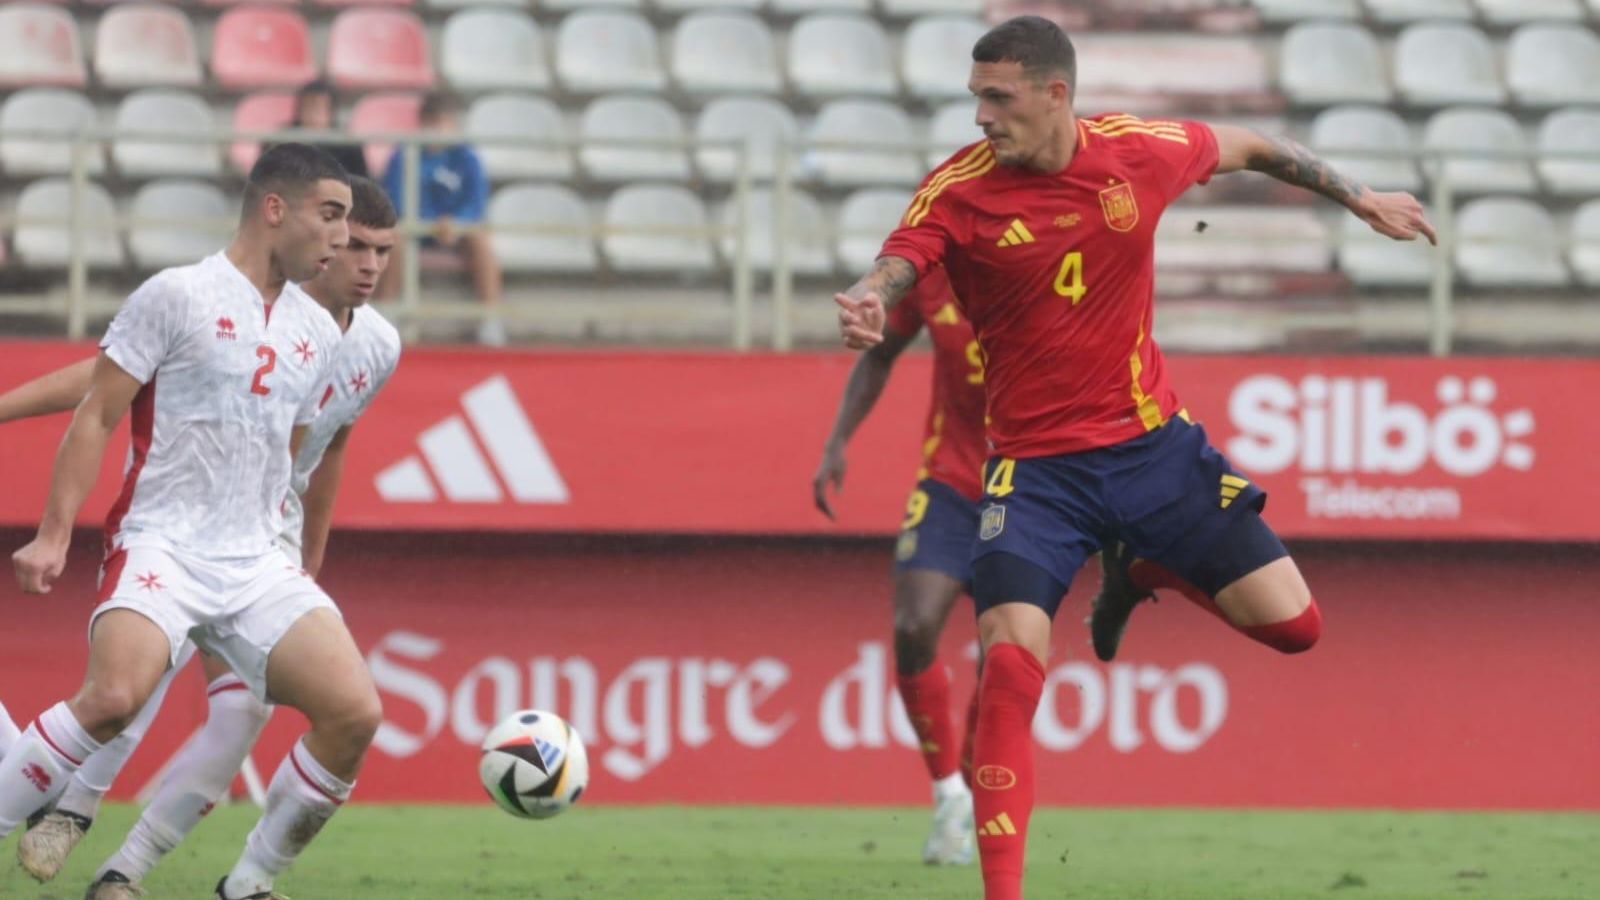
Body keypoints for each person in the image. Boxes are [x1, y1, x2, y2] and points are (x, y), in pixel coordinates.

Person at [834, 17, 1435, 899]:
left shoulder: (1140, 152)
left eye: (997, 98)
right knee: (1008, 665)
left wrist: (1362, 198)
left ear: (1055, 94)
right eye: (975, 98)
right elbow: (900, 258)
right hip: (1035, 475)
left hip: (1155, 451)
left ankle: (1141, 566)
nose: (981, 117)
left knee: (1296, 629)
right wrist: (866, 295)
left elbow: (1255, 146)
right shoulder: (959, 190)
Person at [0, 176, 403, 898]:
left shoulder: (370, 344)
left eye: (380, 249)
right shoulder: (208, 298)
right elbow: (107, 381)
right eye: (349, 237)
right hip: (177, 525)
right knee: (127, 687)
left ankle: (148, 875)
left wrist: (304, 560)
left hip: (263, 538)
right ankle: (71, 809)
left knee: (260, 710)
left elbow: (326, 450)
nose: (362, 257)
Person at [814, 265, 985, 866]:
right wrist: (839, 440)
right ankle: (949, 794)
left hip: (1034, 490)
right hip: (950, 484)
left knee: (1007, 657)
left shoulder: (1049, 266)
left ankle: (973, 794)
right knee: (913, 627)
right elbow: (881, 353)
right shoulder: (934, 273)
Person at [378, 93, 506, 347]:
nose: (438, 129)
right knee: (394, 238)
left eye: (444, 122)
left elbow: (476, 204)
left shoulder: (467, 157)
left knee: (481, 240)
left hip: (455, 230)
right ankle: (386, 313)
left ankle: (490, 317)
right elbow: (393, 200)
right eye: (432, 122)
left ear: (453, 125)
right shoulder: (403, 155)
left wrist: (456, 222)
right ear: (422, 123)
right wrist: (430, 223)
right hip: (415, 227)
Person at [291, 80, 368, 179]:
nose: (312, 115)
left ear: (331, 112)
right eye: (307, 107)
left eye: (318, 109)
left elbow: (362, 181)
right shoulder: (282, 140)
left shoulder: (348, 145)